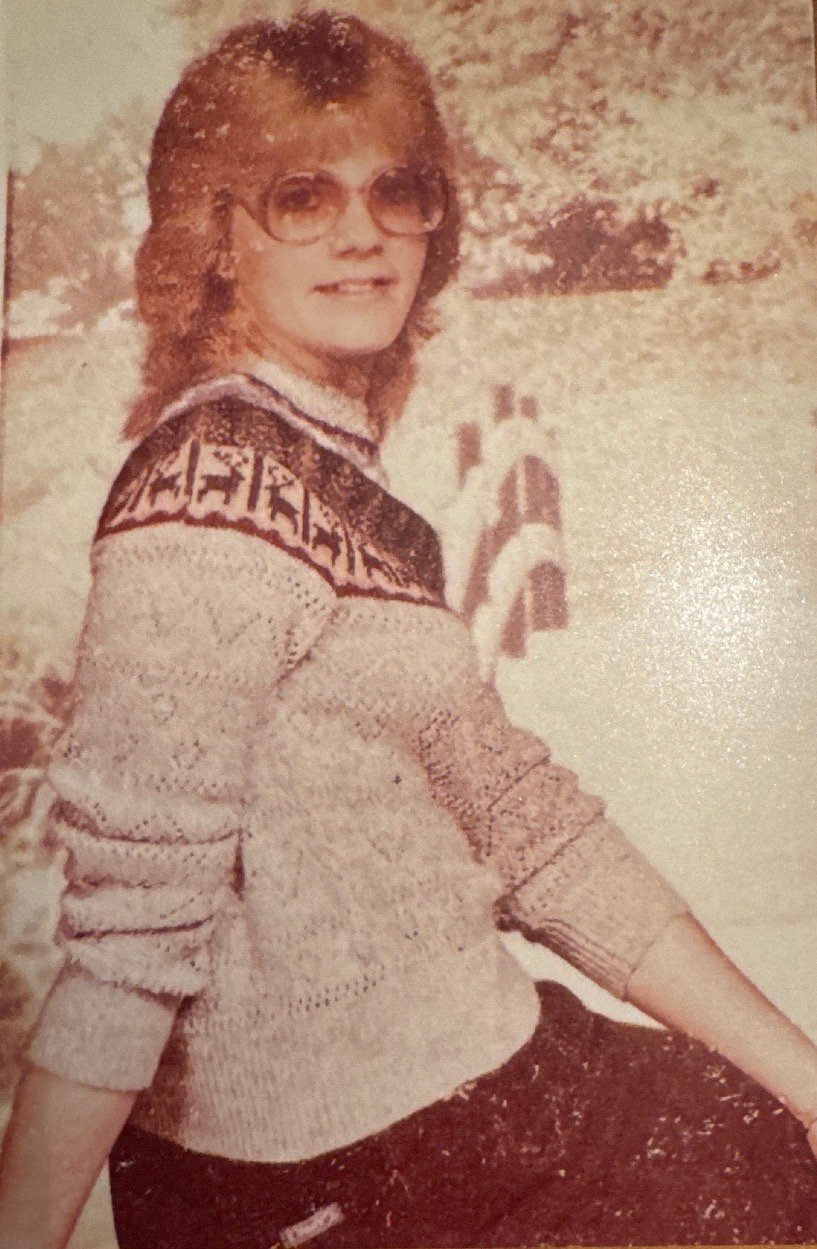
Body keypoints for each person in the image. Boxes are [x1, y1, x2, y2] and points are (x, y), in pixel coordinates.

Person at [1, 12, 817, 1248]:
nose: (363, 231)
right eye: (301, 196)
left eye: (397, 189)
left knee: (762, 1133)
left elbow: (525, 825)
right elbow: (126, 941)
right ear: (214, 236)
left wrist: (806, 1080)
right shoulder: (201, 502)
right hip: (339, 1167)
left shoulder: (324, 468)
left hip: (471, 1087)